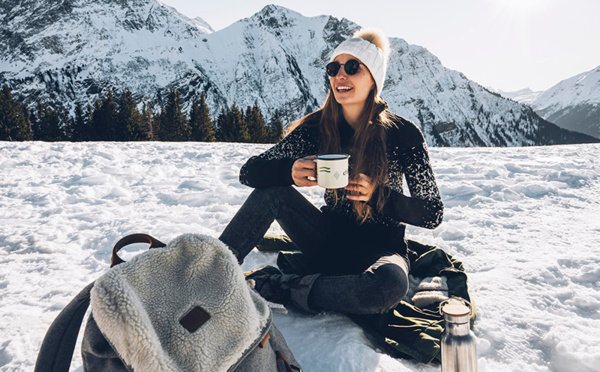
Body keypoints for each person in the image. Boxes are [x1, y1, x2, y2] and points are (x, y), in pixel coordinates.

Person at [218, 28, 443, 315]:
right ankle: (211, 273)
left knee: (389, 286)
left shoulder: (403, 134)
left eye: (352, 67)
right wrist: (289, 172)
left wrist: (377, 195)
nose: (340, 76)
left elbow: (432, 212)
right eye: (333, 68)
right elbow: (249, 171)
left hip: (382, 251)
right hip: (326, 240)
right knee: (272, 193)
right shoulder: (317, 127)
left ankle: (276, 285)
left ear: (374, 78)